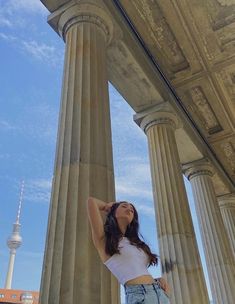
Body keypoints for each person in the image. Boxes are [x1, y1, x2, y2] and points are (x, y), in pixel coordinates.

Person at [87, 197, 170, 304]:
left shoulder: (135, 243)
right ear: (113, 212)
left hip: (159, 293)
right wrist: (110, 206)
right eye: (124, 206)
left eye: (132, 209)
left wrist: (158, 280)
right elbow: (91, 202)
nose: (129, 209)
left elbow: (137, 269)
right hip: (138, 296)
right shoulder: (103, 240)